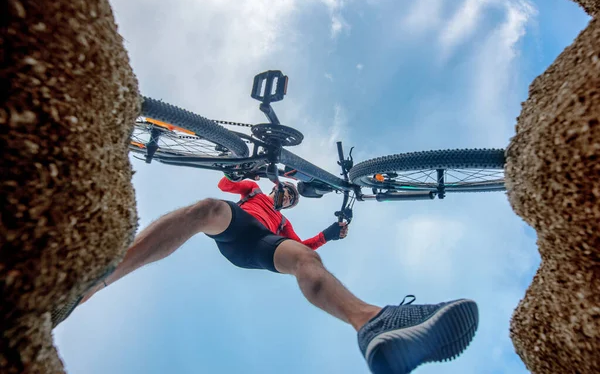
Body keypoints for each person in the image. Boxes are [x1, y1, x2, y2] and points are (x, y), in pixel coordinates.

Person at [76, 175, 479, 374]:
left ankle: (373, 324)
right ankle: (104, 276)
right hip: (235, 227)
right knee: (208, 209)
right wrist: (244, 170)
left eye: (290, 197)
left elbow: (306, 242)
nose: (286, 196)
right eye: (285, 191)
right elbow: (225, 180)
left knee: (305, 259)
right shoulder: (252, 191)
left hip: (261, 244)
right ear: (275, 189)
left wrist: (331, 233)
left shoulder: (283, 225)